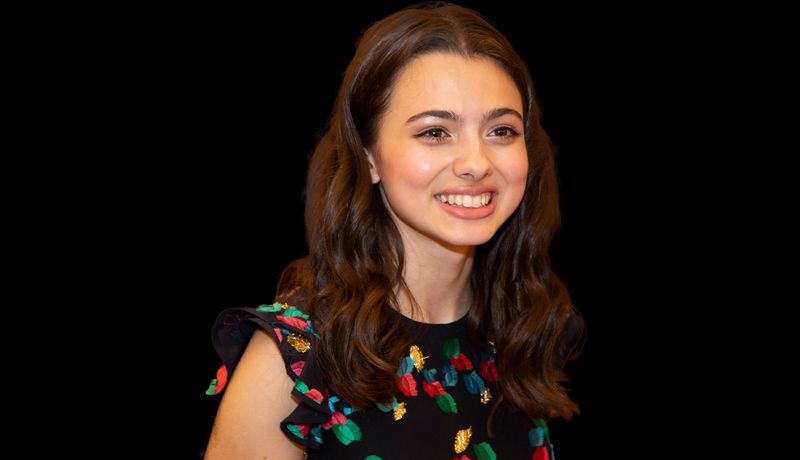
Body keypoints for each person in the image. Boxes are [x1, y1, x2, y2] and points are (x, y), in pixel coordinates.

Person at [204, 2, 583, 458]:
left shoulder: (527, 332)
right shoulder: (294, 358)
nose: (477, 163)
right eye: (435, 132)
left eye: (501, 131)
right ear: (369, 157)